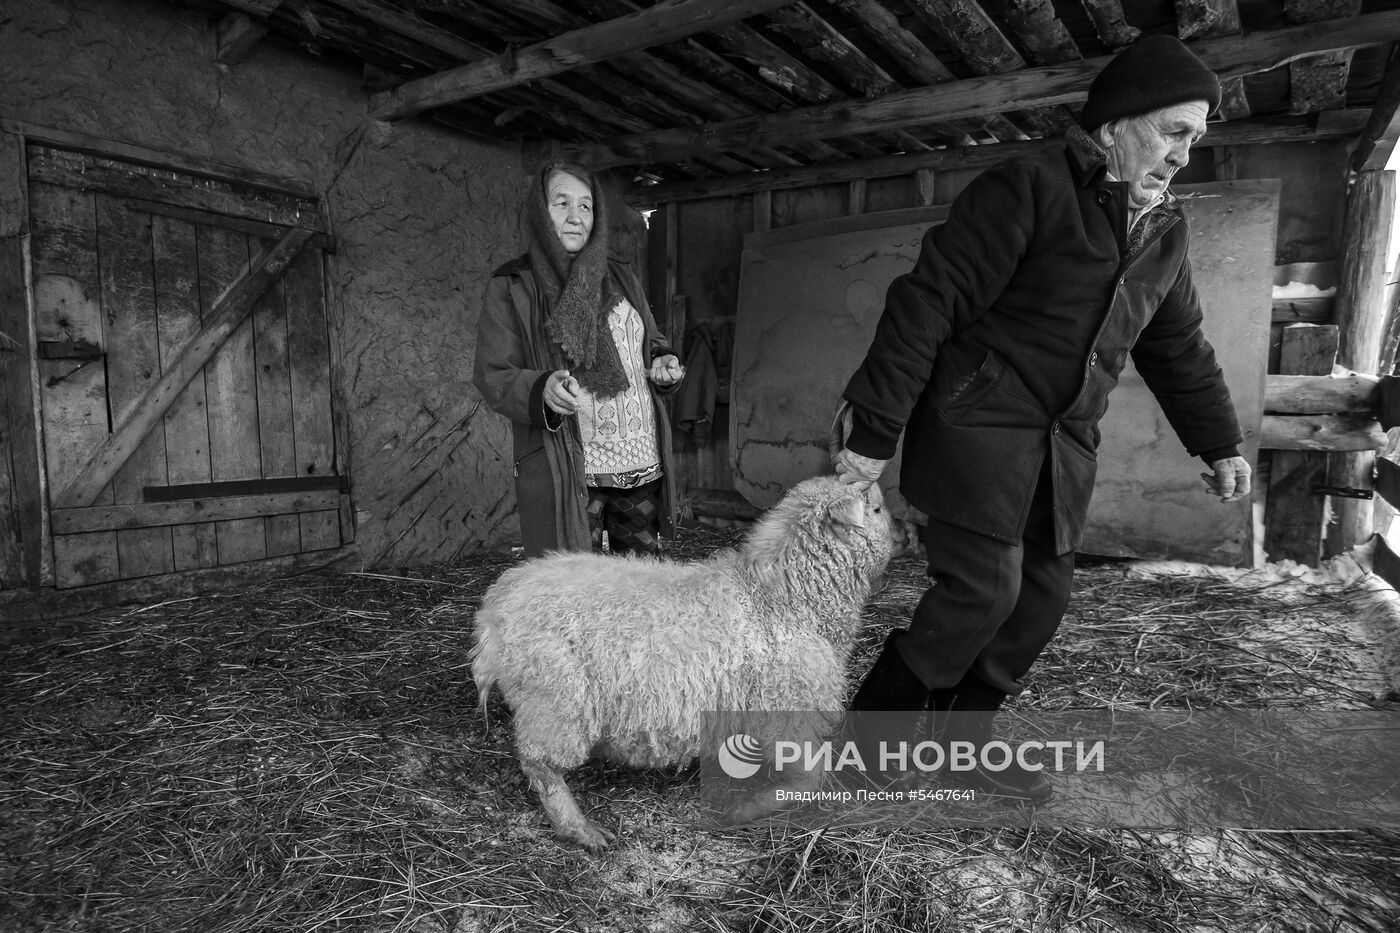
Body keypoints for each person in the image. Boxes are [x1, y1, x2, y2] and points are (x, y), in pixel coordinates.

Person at [833, 34, 1252, 801]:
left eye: (1196, 139)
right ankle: (872, 742)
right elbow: (927, 301)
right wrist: (872, 434)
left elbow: (1179, 347)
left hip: (1064, 444)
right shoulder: (1028, 187)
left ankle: (963, 748)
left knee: (1042, 599)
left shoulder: (1164, 233)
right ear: (1119, 122)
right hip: (976, 424)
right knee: (983, 589)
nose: (1184, 154)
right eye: (1174, 131)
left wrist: (1220, 440)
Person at [474, 161, 685, 558]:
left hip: (640, 461)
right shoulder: (515, 284)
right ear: (540, 210)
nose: (576, 217)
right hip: (570, 468)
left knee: (638, 588)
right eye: (562, 203)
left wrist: (663, 361)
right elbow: (493, 373)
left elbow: (650, 340)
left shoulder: (621, 276)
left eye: (586, 206)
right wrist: (542, 388)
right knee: (573, 595)